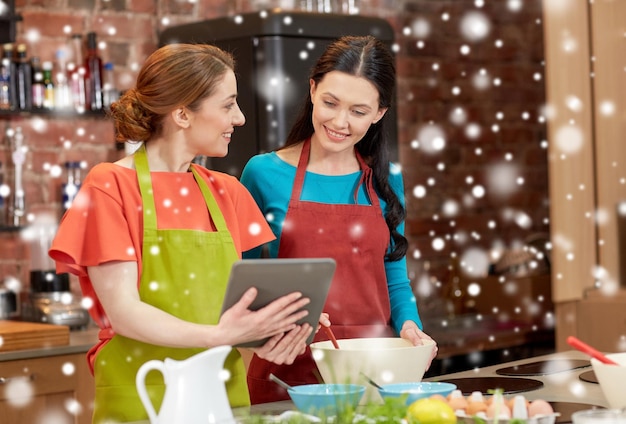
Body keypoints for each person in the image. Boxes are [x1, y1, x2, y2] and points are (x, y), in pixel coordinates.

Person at [49, 43, 315, 423]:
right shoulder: (109, 186)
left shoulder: (228, 191)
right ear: (182, 114)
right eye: (227, 105)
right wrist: (220, 336)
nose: (239, 118)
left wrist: (277, 327)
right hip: (143, 391)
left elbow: (232, 312)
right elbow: (124, 313)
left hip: (221, 392)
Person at [240, 35, 438, 404]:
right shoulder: (262, 173)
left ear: (380, 113)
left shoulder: (387, 178)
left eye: (359, 111)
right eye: (330, 103)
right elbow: (242, 284)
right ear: (312, 90)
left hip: (375, 369)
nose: (340, 121)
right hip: (288, 372)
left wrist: (411, 326)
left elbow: (394, 274)